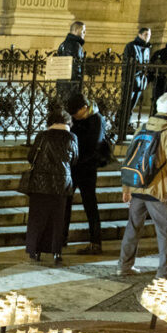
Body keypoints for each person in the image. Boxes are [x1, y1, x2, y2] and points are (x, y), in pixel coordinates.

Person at [118, 92, 167, 278]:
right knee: (165, 231)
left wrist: (127, 187)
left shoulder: (143, 127)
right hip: (159, 190)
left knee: (132, 227)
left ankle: (124, 266)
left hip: (137, 185)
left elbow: (130, 159)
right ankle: (164, 273)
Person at [24, 108, 78, 266]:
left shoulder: (42, 137)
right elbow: (75, 159)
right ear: (68, 122)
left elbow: (31, 157)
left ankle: (35, 249)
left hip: (40, 183)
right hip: (62, 185)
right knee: (57, 218)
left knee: (37, 217)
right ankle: (56, 251)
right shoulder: (72, 137)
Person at [65, 92, 107, 254]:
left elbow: (94, 146)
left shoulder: (97, 120)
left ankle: (95, 242)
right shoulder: (75, 118)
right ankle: (61, 238)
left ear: (84, 108)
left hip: (87, 169)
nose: (74, 116)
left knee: (90, 204)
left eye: (76, 113)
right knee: (65, 202)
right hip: (73, 167)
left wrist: (77, 158)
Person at [122, 27, 152, 132]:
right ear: (139, 35)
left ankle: (127, 124)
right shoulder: (131, 46)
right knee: (126, 103)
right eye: (146, 35)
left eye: (149, 35)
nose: (148, 37)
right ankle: (121, 124)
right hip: (131, 80)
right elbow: (127, 63)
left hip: (140, 81)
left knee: (132, 105)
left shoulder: (148, 48)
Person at [54, 21, 86, 109]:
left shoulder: (62, 44)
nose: (84, 33)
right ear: (76, 30)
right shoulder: (76, 46)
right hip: (71, 86)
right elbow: (76, 68)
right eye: (83, 31)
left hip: (61, 84)